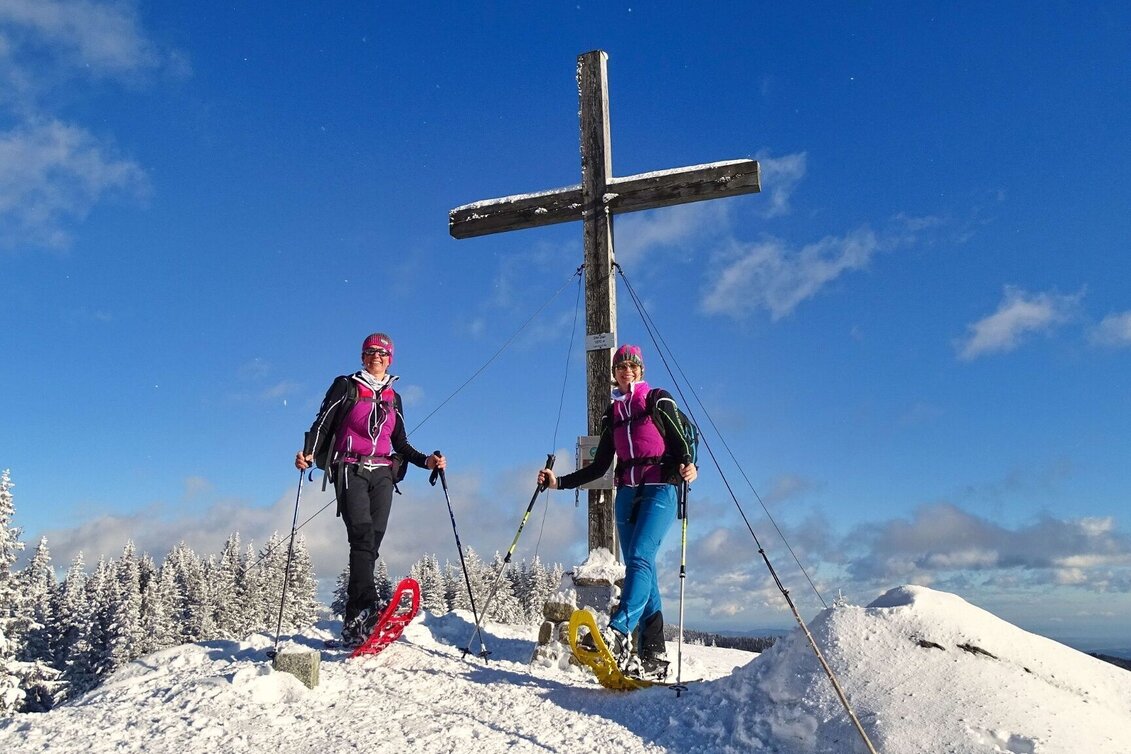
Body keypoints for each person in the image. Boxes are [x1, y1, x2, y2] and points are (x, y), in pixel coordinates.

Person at [537, 344, 697, 680]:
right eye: (621, 366)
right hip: (626, 492)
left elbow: (683, 440)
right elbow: (599, 466)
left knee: (640, 555)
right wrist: (559, 483)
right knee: (644, 567)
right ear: (614, 372)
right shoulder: (614, 413)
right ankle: (653, 655)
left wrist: (689, 465)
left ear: (640, 370)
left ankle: (619, 631)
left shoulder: (657, 399)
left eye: (632, 366)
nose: (627, 371)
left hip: (661, 486)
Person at [295, 332, 445, 647]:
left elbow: (401, 442)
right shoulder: (345, 386)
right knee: (361, 536)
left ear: (390, 358)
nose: (376, 356)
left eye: (382, 352)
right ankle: (368, 607)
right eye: (370, 352)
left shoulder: (395, 397)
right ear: (363, 357)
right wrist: (309, 453)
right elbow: (322, 424)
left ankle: (353, 621)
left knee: (371, 544)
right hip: (350, 468)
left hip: (384, 474)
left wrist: (427, 461)